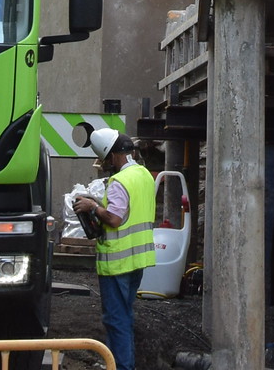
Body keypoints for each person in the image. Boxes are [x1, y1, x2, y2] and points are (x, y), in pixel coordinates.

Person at [72, 129, 156, 370]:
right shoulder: (143, 175)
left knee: (116, 319)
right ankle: (119, 363)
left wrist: (92, 207)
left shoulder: (119, 182)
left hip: (117, 262)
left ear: (114, 156)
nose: (107, 165)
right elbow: (130, 213)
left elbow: (115, 218)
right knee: (124, 315)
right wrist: (100, 206)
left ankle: (120, 366)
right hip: (137, 259)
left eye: (107, 160)